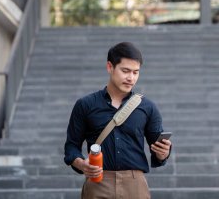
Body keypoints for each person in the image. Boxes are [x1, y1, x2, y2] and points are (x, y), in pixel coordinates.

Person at [64, 42, 172, 199]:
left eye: (136, 72)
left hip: (135, 185)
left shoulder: (147, 107)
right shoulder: (86, 105)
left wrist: (163, 153)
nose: (131, 78)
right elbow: (71, 146)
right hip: (97, 182)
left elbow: (158, 151)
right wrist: (81, 164)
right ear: (110, 67)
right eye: (125, 71)